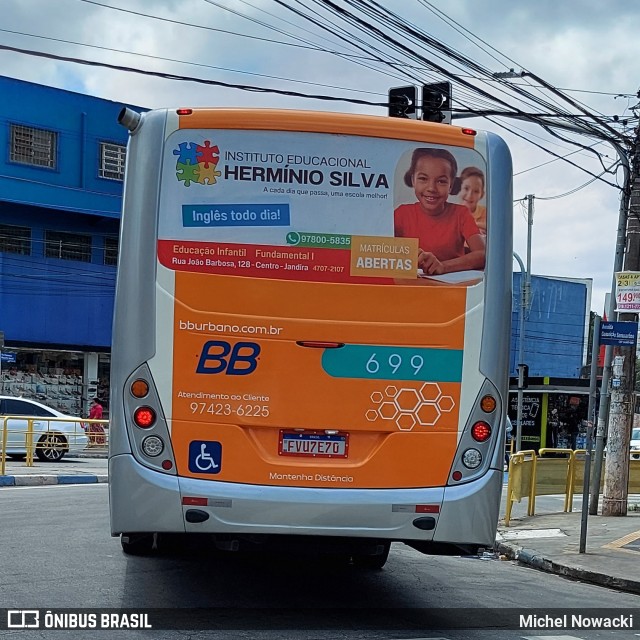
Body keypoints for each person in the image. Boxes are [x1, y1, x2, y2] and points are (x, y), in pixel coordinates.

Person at [394, 148, 486, 275]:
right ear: (413, 180)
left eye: (441, 181)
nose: (431, 188)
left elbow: (482, 254)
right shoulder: (401, 214)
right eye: (423, 179)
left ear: (451, 185)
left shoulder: (461, 213)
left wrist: (443, 266)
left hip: (451, 290)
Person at [458, 166, 486, 233]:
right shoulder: (449, 213)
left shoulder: (487, 214)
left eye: (476, 191)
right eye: (466, 188)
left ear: (482, 195)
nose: (470, 195)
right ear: (458, 188)